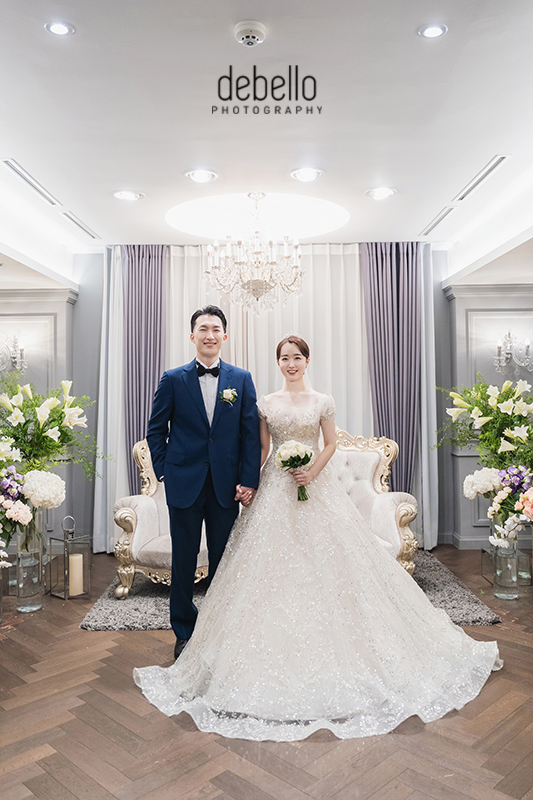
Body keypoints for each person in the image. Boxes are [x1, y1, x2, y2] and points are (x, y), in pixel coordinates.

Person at [135, 335, 502, 741]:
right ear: (278, 363)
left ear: (307, 361)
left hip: (315, 485)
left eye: (297, 357)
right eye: (284, 358)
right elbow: (261, 448)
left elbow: (331, 444)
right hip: (276, 487)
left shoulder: (322, 400)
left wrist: (311, 470)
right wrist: (250, 483)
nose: (291, 363)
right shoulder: (266, 403)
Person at [146, 305, 261, 660]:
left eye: (215, 329)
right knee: (183, 561)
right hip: (184, 482)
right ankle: (184, 631)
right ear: (192, 335)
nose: (209, 335)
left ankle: (218, 630)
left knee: (223, 562)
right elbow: (156, 430)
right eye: (203, 329)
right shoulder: (172, 379)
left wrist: (248, 480)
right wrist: (164, 471)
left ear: (224, 336)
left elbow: (250, 435)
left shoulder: (241, 379)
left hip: (226, 486)